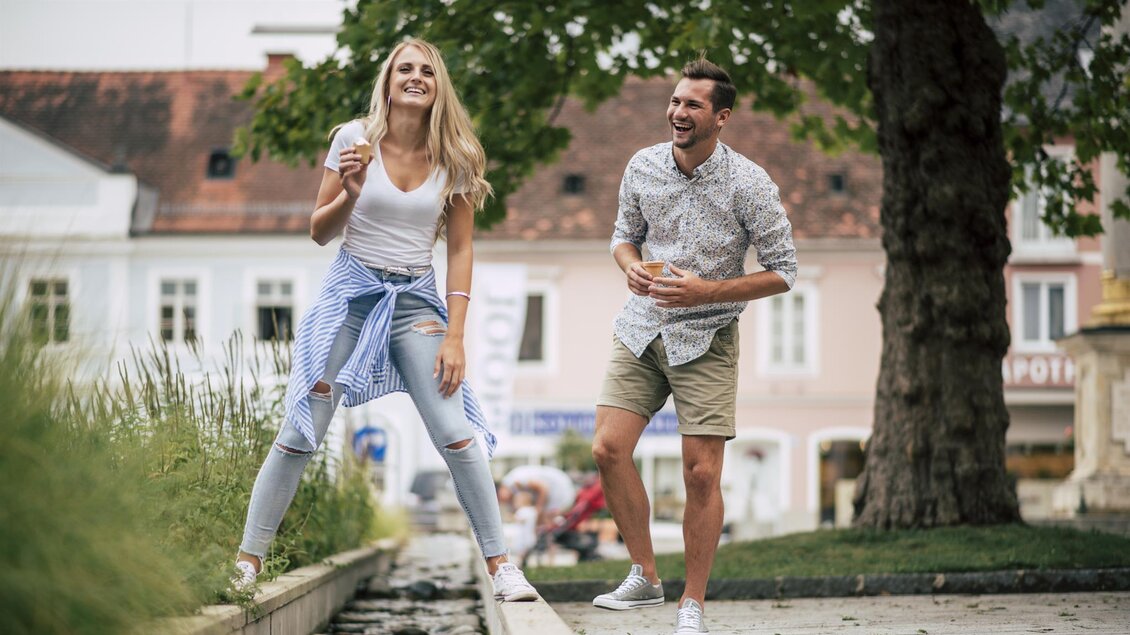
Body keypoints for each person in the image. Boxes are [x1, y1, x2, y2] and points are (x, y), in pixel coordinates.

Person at [232, 38, 538, 603]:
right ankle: (246, 564)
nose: (416, 77)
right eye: (405, 69)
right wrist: (350, 191)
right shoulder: (353, 140)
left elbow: (462, 251)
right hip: (351, 296)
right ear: (389, 81)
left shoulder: (459, 156)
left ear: (438, 84)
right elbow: (320, 231)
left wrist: (455, 335)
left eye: (427, 70)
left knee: (456, 432)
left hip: (415, 303)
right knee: (302, 429)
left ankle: (502, 569)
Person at [590, 57, 797, 634]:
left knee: (700, 473)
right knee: (608, 449)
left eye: (692, 105)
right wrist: (630, 266)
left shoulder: (750, 184)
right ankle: (645, 576)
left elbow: (784, 271)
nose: (678, 113)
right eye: (676, 102)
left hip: (707, 337)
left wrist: (707, 290)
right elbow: (622, 237)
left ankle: (692, 605)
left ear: (721, 117)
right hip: (641, 326)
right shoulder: (643, 165)